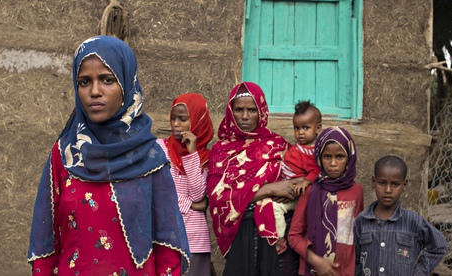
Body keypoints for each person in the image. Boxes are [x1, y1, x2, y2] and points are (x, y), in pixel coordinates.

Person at [27, 36, 190, 276]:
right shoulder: (64, 155)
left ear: (126, 82)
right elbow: (45, 246)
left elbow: (167, 249)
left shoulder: (150, 156)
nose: (94, 91)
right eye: (84, 82)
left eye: (107, 80)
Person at [207, 81, 302, 276]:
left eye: (251, 110)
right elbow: (219, 198)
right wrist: (270, 190)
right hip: (239, 236)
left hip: (276, 237)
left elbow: (295, 183)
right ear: (230, 111)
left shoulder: (278, 145)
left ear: (261, 111)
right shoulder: (220, 150)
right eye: (239, 109)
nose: (244, 116)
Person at [288, 126, 364, 276]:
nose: (333, 163)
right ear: (319, 157)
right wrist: (315, 260)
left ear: (350, 157)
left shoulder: (357, 191)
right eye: (327, 157)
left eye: (340, 157)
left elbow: (358, 233)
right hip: (313, 271)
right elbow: (294, 236)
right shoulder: (310, 191)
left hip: (345, 271)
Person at [354, 155, 448, 276]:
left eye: (395, 184)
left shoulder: (413, 221)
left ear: (404, 185)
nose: (388, 190)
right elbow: (355, 259)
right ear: (373, 182)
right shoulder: (362, 221)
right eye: (382, 183)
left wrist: (419, 272)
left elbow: (439, 247)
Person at [156, 93, 213, 276]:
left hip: (196, 240)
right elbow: (158, 193)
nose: (175, 124)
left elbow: (198, 195)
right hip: (165, 236)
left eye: (182, 119)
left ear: (197, 121)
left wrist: (191, 154)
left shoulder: (205, 157)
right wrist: (190, 205)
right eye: (173, 118)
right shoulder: (159, 149)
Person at [274, 100, 322, 254]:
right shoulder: (296, 149)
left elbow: (317, 171)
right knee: (272, 207)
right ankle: (279, 238)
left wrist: (306, 182)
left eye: (306, 128)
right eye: (297, 128)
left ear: (318, 128)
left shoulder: (317, 151)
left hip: (301, 195)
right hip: (287, 190)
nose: (300, 132)